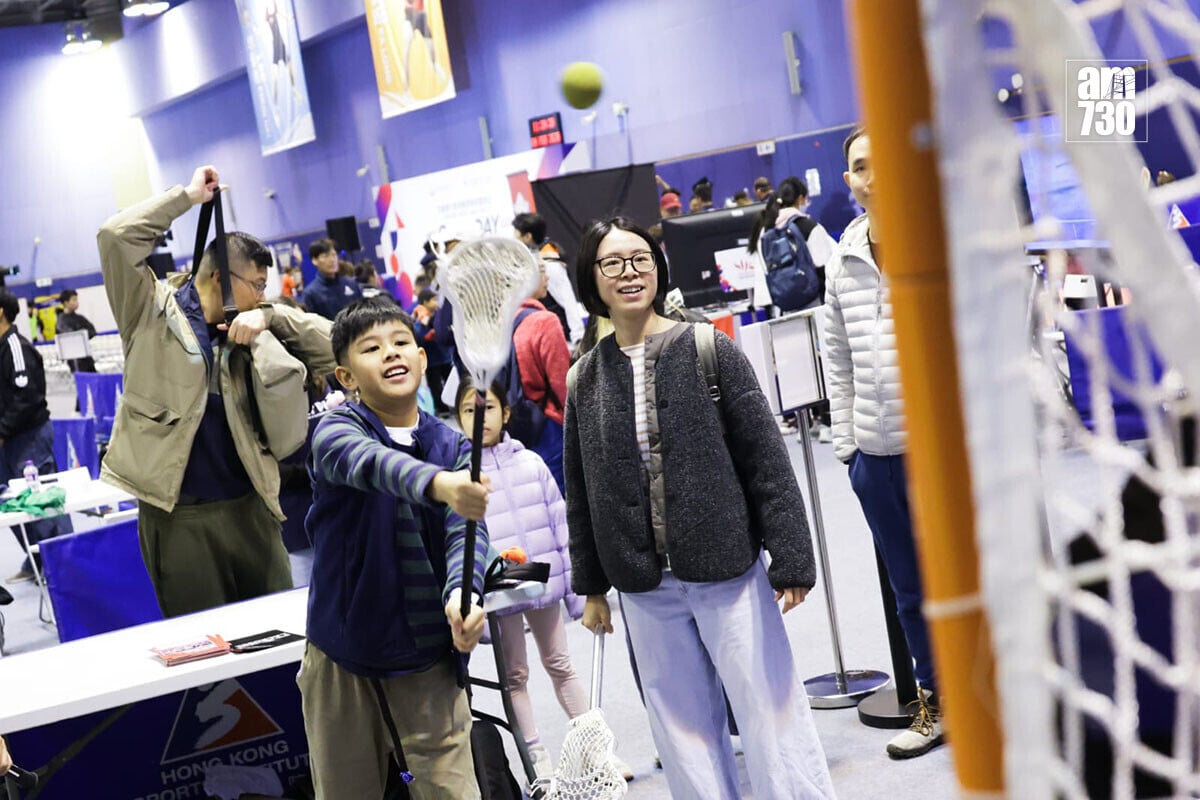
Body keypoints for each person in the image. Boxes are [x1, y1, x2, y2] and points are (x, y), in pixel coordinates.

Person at [565, 216, 836, 800]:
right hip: (644, 586)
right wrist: (591, 587)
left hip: (726, 569)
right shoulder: (584, 378)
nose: (629, 272)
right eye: (612, 263)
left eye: (640, 258)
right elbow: (582, 491)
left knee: (770, 713)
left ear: (657, 267)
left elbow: (765, 457)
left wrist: (791, 555)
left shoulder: (709, 347)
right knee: (681, 732)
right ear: (592, 279)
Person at [97, 165, 336, 617]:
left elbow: (339, 345)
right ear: (220, 277)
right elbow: (114, 237)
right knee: (205, 645)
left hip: (252, 508)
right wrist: (187, 198)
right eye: (257, 285)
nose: (262, 294)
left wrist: (272, 316)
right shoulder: (148, 311)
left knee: (279, 631)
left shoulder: (257, 324)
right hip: (178, 519)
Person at [301, 297, 490, 800]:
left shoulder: (453, 446)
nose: (390, 353)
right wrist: (439, 484)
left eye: (401, 342)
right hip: (343, 659)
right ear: (346, 377)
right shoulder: (335, 432)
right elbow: (371, 464)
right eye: (371, 348)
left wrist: (463, 594)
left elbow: (465, 534)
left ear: (422, 359)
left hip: (429, 658)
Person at [824, 127, 944, 758]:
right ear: (850, 181)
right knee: (910, 592)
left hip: (939, 454)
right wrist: (850, 450)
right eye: (860, 166)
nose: (874, 175)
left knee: (968, 574)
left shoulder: (934, 235)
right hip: (876, 458)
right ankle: (936, 703)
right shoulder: (841, 260)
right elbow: (837, 359)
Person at [456, 377, 633, 789]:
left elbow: (561, 525)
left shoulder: (531, 464)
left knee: (560, 664)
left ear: (506, 413)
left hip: (542, 583)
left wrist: (578, 591)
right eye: (469, 410)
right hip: (499, 592)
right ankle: (537, 762)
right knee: (515, 676)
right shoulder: (458, 478)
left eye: (489, 408)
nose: (480, 418)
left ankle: (596, 751)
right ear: (458, 418)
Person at [0, 289, 72, 584]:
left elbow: (27, 397)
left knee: (43, 504)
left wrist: (2, 431)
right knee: (12, 506)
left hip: (28, 439)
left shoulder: (16, 347)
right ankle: (37, 562)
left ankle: (65, 568)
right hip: (8, 443)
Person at [511, 260, 571, 493]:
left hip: (515, 424)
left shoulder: (503, 320)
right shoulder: (545, 321)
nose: (547, 278)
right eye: (542, 272)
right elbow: (562, 383)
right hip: (549, 426)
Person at [512, 213, 585, 346]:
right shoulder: (531, 260)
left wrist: (578, 337)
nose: (514, 238)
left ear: (527, 237)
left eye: (516, 234)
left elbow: (567, 300)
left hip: (561, 337)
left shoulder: (550, 264)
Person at [301, 239, 363, 320]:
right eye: (326, 256)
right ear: (314, 260)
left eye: (334, 255)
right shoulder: (311, 294)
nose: (332, 260)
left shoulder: (351, 283)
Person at [412, 288, 452, 415]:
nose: (437, 302)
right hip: (431, 359)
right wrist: (427, 336)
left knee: (450, 381)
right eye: (434, 300)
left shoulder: (439, 315)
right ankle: (441, 408)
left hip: (444, 356)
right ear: (425, 302)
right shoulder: (419, 317)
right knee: (435, 385)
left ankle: (454, 404)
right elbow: (418, 335)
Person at [55, 289, 97, 373]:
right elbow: (71, 335)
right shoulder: (62, 320)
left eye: (77, 299)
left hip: (87, 359)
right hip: (74, 361)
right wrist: (82, 334)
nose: (77, 302)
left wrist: (82, 334)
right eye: (74, 300)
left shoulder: (80, 318)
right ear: (66, 303)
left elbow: (92, 330)